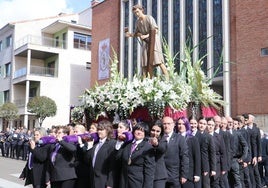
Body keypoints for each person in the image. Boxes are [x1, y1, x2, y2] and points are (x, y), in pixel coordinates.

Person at [125, 4, 168, 77]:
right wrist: (129, 35)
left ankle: (168, 79)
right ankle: (146, 82)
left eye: (137, 12)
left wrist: (146, 35)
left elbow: (156, 30)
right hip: (145, 42)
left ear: (142, 10)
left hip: (154, 40)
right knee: (144, 63)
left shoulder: (149, 18)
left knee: (158, 60)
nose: (136, 14)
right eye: (135, 13)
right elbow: (136, 33)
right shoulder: (138, 22)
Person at [119, 121, 155, 188]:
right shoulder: (127, 144)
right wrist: (119, 142)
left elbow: (149, 171)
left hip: (137, 183)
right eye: (137, 130)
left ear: (145, 134)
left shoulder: (147, 147)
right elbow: (118, 158)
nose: (139, 132)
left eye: (142, 131)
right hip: (124, 182)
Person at [85, 120, 116, 188]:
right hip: (93, 180)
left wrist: (110, 183)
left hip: (104, 180)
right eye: (98, 129)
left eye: (101, 129)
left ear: (108, 130)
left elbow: (112, 165)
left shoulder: (112, 143)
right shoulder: (95, 145)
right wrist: (89, 147)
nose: (99, 131)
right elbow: (87, 160)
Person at [162, 116, 189, 188]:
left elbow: (184, 157)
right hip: (161, 177)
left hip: (174, 177)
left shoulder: (179, 138)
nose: (166, 126)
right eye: (164, 124)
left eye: (169, 123)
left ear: (173, 125)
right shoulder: (159, 138)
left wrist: (184, 175)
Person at [177, 117, 201, 188]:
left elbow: (197, 157)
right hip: (176, 173)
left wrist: (197, 174)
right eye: (179, 124)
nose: (181, 126)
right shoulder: (174, 138)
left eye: (183, 124)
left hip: (189, 173)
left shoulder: (192, 139)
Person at [149, 119, 168, 188]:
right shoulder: (146, 139)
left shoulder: (163, 140)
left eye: (158, 131)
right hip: (147, 174)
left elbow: (162, 149)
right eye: (153, 130)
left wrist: (156, 144)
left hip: (158, 176)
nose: (155, 133)